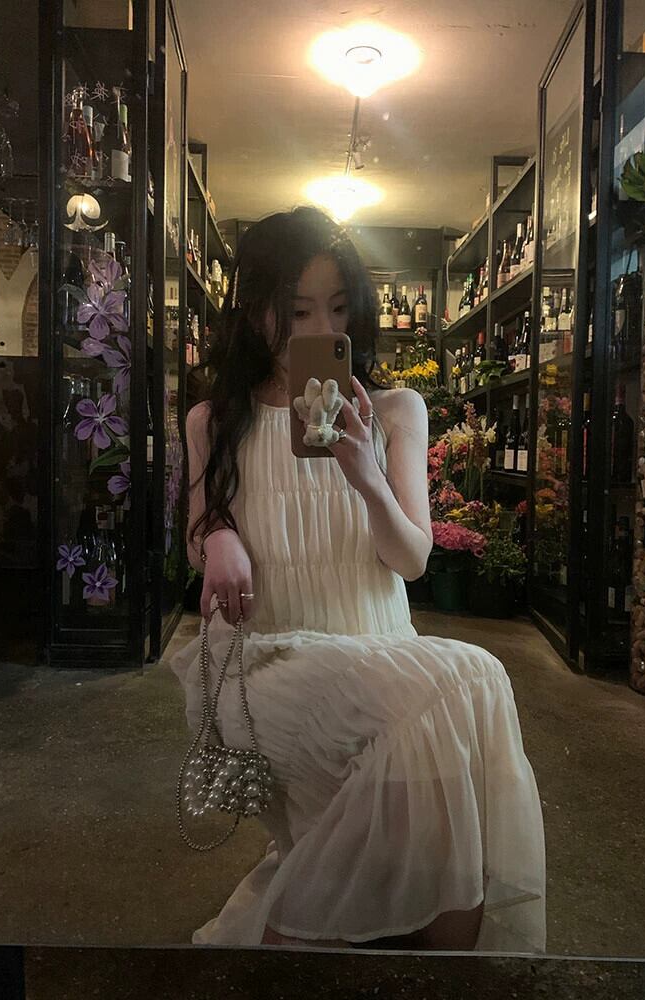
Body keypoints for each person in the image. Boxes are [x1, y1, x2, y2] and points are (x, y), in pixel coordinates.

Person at [169, 206, 545, 952]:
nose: (319, 329)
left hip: (379, 658)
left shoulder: (396, 410)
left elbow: (412, 561)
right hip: (269, 660)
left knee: (434, 779)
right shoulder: (214, 419)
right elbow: (195, 535)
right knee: (460, 685)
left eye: (337, 310)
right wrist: (217, 539)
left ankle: (401, 961)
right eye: (297, 311)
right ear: (254, 310)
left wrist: (368, 476)